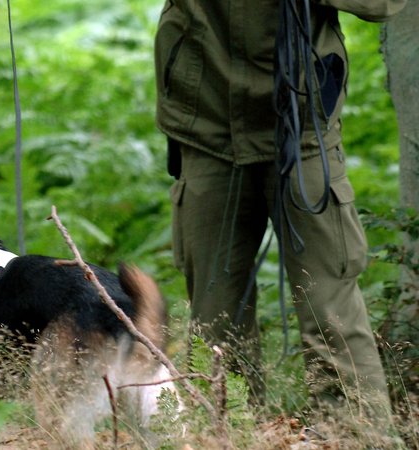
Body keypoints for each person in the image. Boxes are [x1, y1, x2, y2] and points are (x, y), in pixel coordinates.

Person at [154, 0, 406, 444]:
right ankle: (229, 436)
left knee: (331, 310)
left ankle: (359, 438)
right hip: (206, 126)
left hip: (303, 130)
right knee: (214, 322)